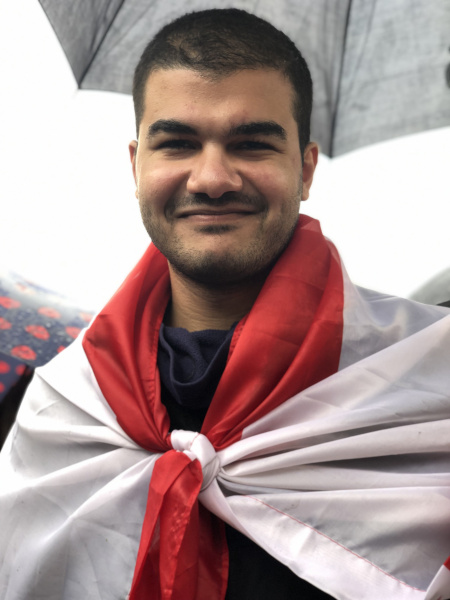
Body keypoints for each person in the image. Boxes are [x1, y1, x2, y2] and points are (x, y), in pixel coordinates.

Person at [1, 8, 450, 600]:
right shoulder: (62, 410)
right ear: (136, 166)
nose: (212, 178)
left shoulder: (426, 378)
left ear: (305, 169)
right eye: (178, 143)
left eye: (251, 144)